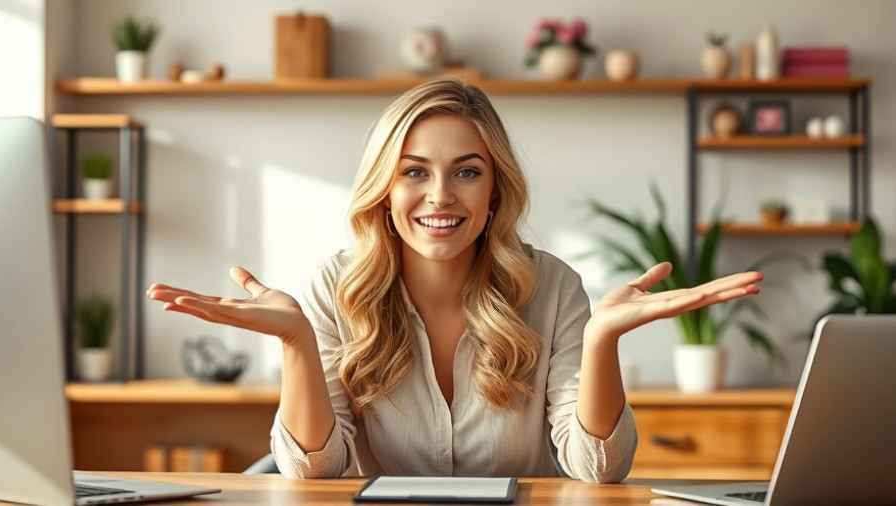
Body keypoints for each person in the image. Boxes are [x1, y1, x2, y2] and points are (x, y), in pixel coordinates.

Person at [147, 77, 763, 483]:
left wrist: (602, 337)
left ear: (495, 190)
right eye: (414, 172)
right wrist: (296, 343)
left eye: (467, 172)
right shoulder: (334, 286)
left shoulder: (553, 288)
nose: (440, 195)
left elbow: (597, 469)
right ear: (385, 189)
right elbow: (314, 472)